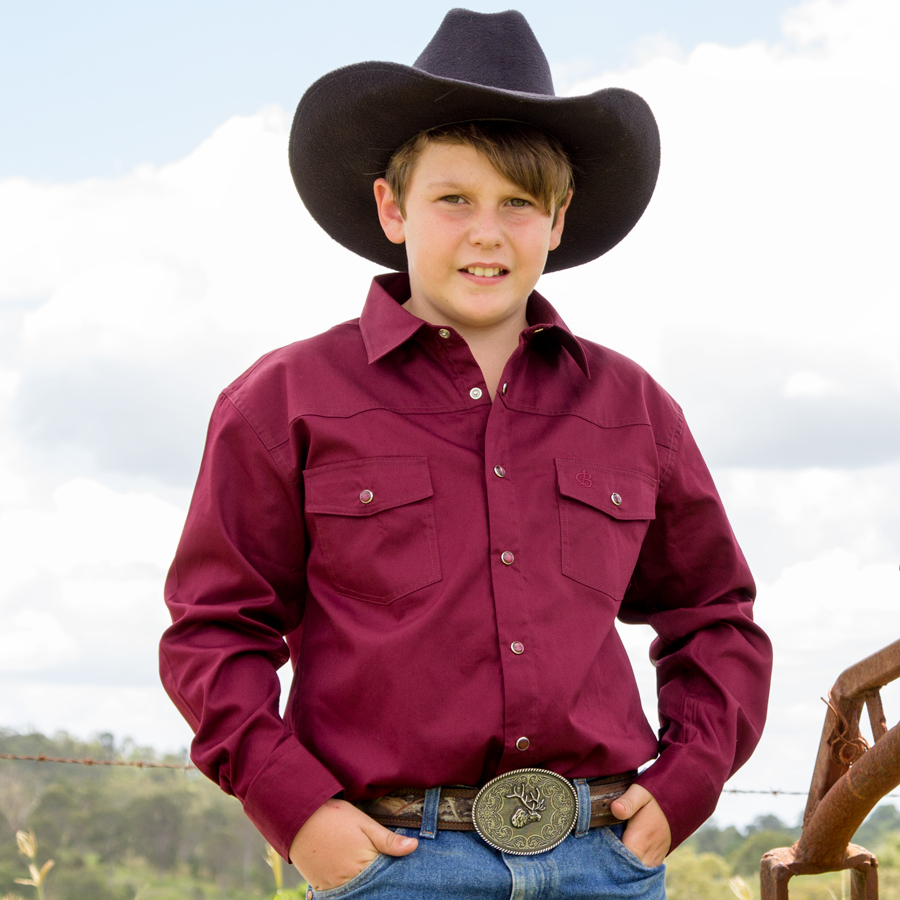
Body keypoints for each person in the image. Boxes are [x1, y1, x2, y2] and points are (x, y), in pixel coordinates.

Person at [160, 9, 773, 899]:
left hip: (604, 857)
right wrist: (299, 811)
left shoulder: (633, 408)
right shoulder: (283, 401)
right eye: (455, 199)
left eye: (518, 203)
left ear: (557, 221)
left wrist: (685, 785)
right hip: (396, 861)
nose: (487, 232)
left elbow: (717, 614)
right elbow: (214, 631)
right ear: (391, 207)